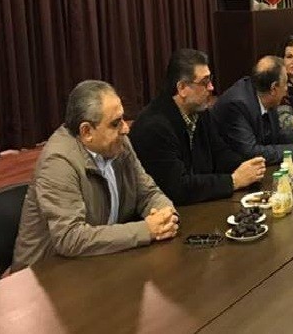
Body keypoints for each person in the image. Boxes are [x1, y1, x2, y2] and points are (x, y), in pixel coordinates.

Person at [12, 80, 178, 272]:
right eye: (115, 123)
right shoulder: (58, 163)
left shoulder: (120, 144)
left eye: (123, 119)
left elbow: (147, 193)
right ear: (87, 131)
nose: (125, 128)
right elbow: (70, 238)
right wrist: (145, 230)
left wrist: (166, 215)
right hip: (45, 276)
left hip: (98, 262)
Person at [129, 49, 267, 205]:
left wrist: (247, 167)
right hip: (170, 212)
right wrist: (233, 181)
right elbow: (177, 188)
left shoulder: (200, 112)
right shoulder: (153, 127)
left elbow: (220, 154)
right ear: (182, 88)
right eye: (204, 82)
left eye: (210, 80)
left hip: (199, 205)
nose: (211, 87)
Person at [210, 56, 293, 165]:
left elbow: (275, 134)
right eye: (285, 84)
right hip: (229, 170)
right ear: (273, 88)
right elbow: (251, 153)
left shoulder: (265, 95)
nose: (286, 89)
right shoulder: (237, 105)